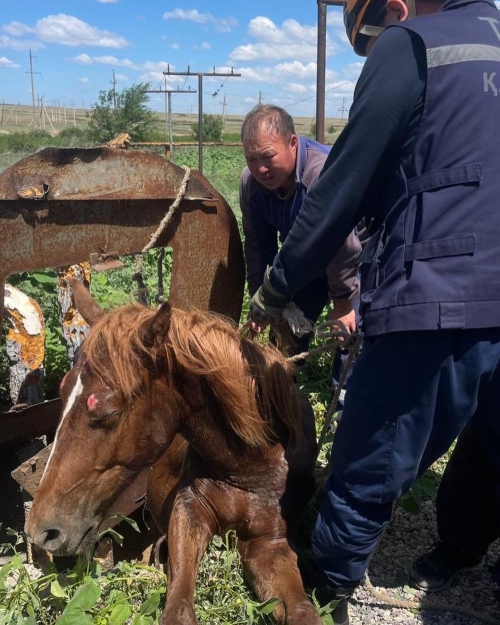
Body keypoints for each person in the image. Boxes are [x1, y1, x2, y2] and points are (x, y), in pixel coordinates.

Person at [249, 0, 500, 623]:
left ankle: (327, 579)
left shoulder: (411, 45)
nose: (373, 44)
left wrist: (275, 289)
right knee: (491, 441)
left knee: (373, 439)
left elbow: (342, 189)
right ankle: (464, 551)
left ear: (394, 7)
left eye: (368, 35)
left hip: (444, 287)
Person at [240, 104, 361, 387]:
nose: (260, 168)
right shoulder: (252, 185)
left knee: (348, 336)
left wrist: (343, 302)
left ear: (293, 143)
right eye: (251, 159)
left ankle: (343, 409)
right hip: (306, 260)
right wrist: (262, 300)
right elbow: (259, 245)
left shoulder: (321, 173)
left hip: (354, 259)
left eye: (268, 156)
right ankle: (281, 393)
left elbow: (343, 244)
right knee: (285, 336)